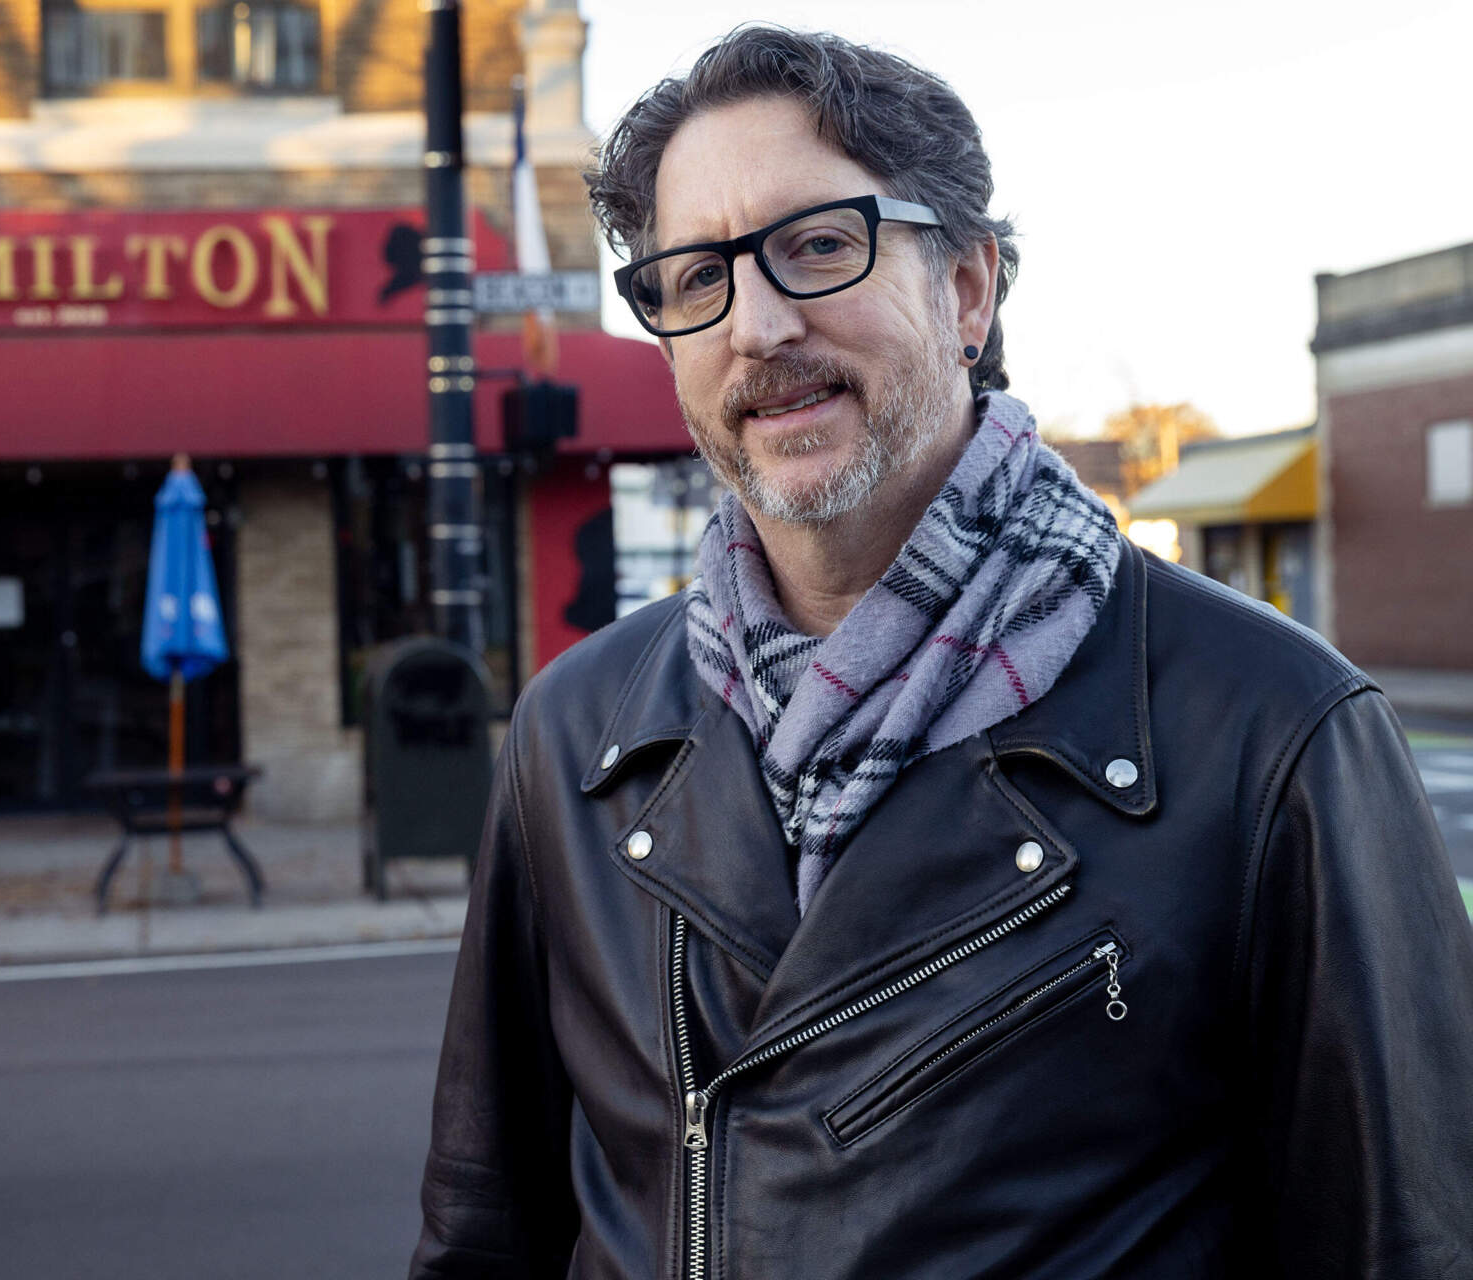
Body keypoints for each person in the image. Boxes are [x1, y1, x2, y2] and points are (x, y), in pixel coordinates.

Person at [408, 24, 1473, 1279]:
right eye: (695, 276)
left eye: (817, 245)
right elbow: (484, 1229)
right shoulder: (575, 729)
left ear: (967, 288)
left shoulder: (1273, 728)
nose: (756, 325)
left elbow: (1407, 1242)